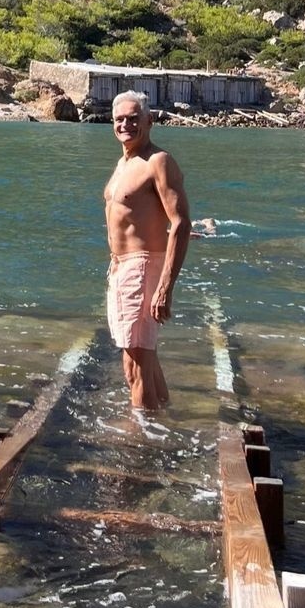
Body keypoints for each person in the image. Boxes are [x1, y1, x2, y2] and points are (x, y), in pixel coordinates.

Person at [104, 91, 191, 410]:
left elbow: (181, 223)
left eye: (133, 118)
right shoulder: (123, 163)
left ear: (149, 121)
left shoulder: (158, 162)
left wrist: (165, 288)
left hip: (141, 269)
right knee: (146, 359)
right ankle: (163, 419)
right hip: (120, 267)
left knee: (134, 367)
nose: (125, 125)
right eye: (119, 119)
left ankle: (141, 436)